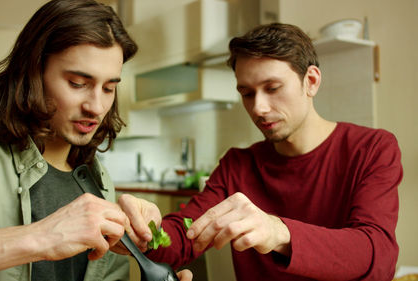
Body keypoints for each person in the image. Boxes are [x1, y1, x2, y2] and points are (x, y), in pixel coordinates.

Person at [0, 0, 192, 281]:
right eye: (77, 83)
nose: (96, 107)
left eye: (109, 88)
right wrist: (39, 237)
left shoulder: (100, 182)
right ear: (33, 73)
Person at [119, 23, 403, 280]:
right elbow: (185, 236)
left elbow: (377, 255)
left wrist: (279, 232)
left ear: (311, 81)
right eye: (247, 93)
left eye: (272, 88)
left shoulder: (372, 148)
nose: (259, 108)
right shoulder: (238, 165)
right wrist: (146, 232)